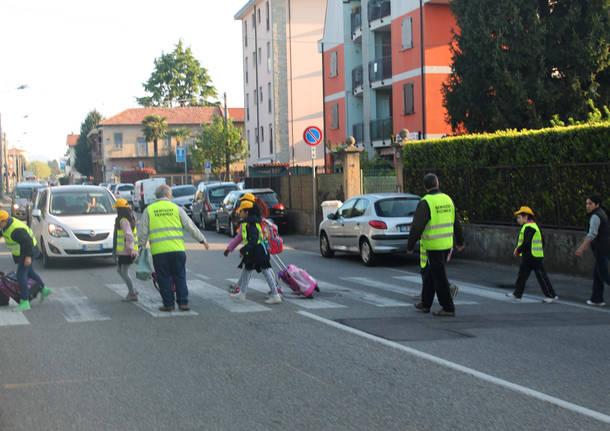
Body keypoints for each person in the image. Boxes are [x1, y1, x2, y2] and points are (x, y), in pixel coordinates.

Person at [138, 185, 209, 312]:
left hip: (159, 252)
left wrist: (141, 246)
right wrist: (202, 240)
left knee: (163, 277)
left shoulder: (149, 210)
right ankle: (183, 303)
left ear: (156, 196)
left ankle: (168, 304)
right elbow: (190, 226)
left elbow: (143, 231)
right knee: (179, 276)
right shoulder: (176, 209)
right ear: (168, 195)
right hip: (177, 250)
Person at [407, 173, 464, 316]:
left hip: (433, 245)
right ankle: (425, 304)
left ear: (425, 187)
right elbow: (456, 222)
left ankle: (448, 308)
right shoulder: (447, 199)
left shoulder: (426, 202)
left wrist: (410, 245)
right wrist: (460, 241)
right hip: (446, 244)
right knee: (430, 274)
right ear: (437, 184)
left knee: (439, 278)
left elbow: (417, 226)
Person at [224, 199, 282, 304]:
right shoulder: (249, 222)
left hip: (258, 250)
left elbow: (254, 240)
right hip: (254, 250)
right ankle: (242, 294)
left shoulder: (252, 223)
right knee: (247, 270)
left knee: (266, 271)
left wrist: (243, 250)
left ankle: (275, 295)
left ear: (247, 212)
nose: (239, 213)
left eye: (241, 211)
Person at [0, 210, 50, 311]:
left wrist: (28, 257)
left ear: (3, 221)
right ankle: (44, 289)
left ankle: (25, 301)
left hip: (27, 252)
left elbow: (28, 243)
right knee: (30, 272)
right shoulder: (6, 225)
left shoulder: (16, 230)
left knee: (21, 275)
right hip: (24, 252)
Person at [506, 206, 558, 303]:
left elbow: (526, 242)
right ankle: (517, 294)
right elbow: (542, 241)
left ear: (526, 217)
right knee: (522, 275)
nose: (518, 220)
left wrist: (518, 251)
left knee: (540, 276)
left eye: (519, 217)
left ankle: (551, 295)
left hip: (533, 256)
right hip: (531, 255)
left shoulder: (530, 227)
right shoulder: (533, 226)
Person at [575, 195, 609, 307]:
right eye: (587, 203)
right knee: (597, 275)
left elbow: (592, 234)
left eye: (590, 204)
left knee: (604, 275)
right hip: (604, 248)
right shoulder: (602, 213)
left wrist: (581, 248)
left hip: (601, 249)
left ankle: (597, 298)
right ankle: (596, 299)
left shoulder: (596, 216)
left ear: (597, 204)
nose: (587, 206)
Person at [113, 198, 139, 301]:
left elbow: (129, 236)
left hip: (127, 252)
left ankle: (132, 294)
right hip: (125, 251)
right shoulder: (130, 217)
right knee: (120, 270)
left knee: (123, 272)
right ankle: (133, 289)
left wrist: (131, 249)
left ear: (120, 209)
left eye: (117, 209)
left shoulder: (123, 221)